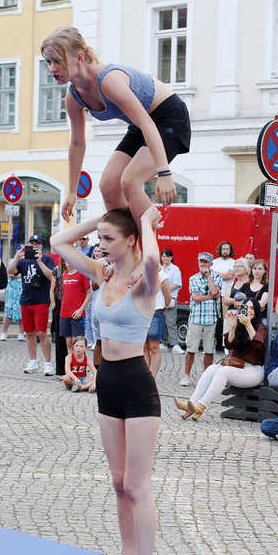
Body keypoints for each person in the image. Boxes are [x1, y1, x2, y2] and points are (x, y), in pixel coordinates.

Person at [51, 206, 162, 555]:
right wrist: (99, 218)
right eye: (100, 238)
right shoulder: (104, 273)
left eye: (108, 238)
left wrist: (145, 221)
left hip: (137, 385)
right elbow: (58, 242)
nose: (101, 245)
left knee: (136, 485)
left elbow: (152, 260)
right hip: (108, 382)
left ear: (130, 240)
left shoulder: (144, 281)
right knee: (118, 482)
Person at [42, 26, 190, 225]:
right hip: (140, 124)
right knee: (108, 185)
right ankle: (129, 240)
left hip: (168, 117)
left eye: (57, 61)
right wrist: (71, 191)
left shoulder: (108, 80)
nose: (52, 69)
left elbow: (146, 122)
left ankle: (149, 238)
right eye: (48, 62)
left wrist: (164, 173)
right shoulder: (73, 97)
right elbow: (77, 143)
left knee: (130, 180)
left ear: (79, 57)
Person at [176, 297, 266, 420]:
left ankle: (201, 405)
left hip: (255, 371)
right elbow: (230, 345)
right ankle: (191, 404)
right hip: (239, 367)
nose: (249, 311)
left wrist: (248, 324)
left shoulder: (261, 327)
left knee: (223, 371)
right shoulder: (240, 326)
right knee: (212, 368)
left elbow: (258, 345)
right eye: (246, 307)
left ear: (257, 311)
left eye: (252, 308)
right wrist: (233, 327)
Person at [9, 234, 56, 375]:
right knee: (29, 333)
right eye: (31, 243)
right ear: (27, 245)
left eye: (37, 244)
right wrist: (17, 256)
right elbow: (10, 272)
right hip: (26, 300)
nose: (34, 246)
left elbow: (51, 276)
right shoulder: (23, 261)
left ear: (41, 246)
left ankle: (48, 364)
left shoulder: (47, 259)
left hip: (41, 301)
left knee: (42, 332)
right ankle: (33, 361)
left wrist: (40, 261)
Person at [179, 252, 222, 387]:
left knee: (209, 350)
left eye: (205, 262)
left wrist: (209, 276)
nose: (202, 264)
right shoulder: (193, 278)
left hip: (211, 319)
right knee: (191, 348)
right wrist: (211, 296)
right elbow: (196, 298)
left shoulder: (217, 277)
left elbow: (214, 291)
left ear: (211, 264)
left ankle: (206, 377)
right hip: (196, 318)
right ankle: (186, 376)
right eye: (200, 261)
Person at [58, 258, 92, 352]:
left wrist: (81, 309)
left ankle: (79, 361)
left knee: (77, 343)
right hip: (64, 313)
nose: (69, 263)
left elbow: (89, 294)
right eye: (67, 260)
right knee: (69, 342)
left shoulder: (82, 274)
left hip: (77, 313)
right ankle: (71, 361)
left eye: (71, 260)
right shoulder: (64, 275)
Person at [143, 268, 169, 377]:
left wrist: (163, 308)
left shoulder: (161, 274)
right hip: (141, 313)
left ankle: (152, 377)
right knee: (144, 348)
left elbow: (167, 296)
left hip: (155, 312)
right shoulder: (139, 272)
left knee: (154, 347)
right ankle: (144, 376)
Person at [159, 248, 182, 353]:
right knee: (161, 321)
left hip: (170, 298)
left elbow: (176, 284)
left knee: (171, 322)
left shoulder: (175, 269)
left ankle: (175, 345)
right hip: (160, 299)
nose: (165, 258)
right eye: (163, 256)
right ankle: (163, 343)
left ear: (171, 257)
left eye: (167, 256)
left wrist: (164, 289)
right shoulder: (159, 269)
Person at [0, 266, 25, 342]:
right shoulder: (12, 262)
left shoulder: (26, 262)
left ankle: (21, 333)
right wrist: (20, 275)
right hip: (12, 289)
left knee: (22, 311)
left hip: (22, 288)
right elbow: (9, 273)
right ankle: (3, 333)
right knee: (8, 311)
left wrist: (17, 275)